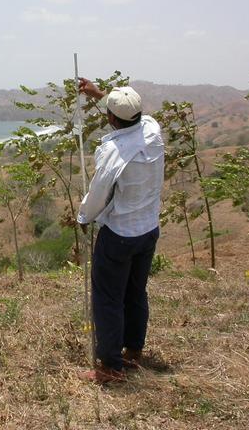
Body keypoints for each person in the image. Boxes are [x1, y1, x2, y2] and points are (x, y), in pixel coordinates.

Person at [77, 79, 164, 384]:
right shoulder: (152, 130)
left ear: (111, 118)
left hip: (120, 234)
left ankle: (111, 367)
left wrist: (84, 216)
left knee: (108, 298)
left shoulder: (112, 151)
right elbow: (127, 115)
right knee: (135, 292)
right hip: (148, 229)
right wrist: (98, 94)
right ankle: (134, 352)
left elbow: (99, 194)